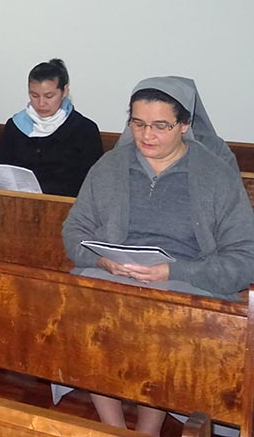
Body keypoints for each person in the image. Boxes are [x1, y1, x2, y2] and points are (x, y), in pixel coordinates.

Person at [62, 77, 254, 435]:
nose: (146, 135)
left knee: (159, 321)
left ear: (185, 125)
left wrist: (175, 271)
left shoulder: (216, 175)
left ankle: (148, 428)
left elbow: (245, 257)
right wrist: (101, 260)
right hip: (113, 275)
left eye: (160, 126)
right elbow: (74, 230)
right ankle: (113, 427)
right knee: (81, 303)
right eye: (138, 123)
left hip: (188, 282)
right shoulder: (109, 166)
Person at [0, 58, 102, 197]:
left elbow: (92, 182)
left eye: (49, 96)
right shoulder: (15, 126)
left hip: (66, 206)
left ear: (64, 91)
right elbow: (1, 170)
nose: (41, 103)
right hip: (18, 203)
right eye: (34, 95)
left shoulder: (84, 130)